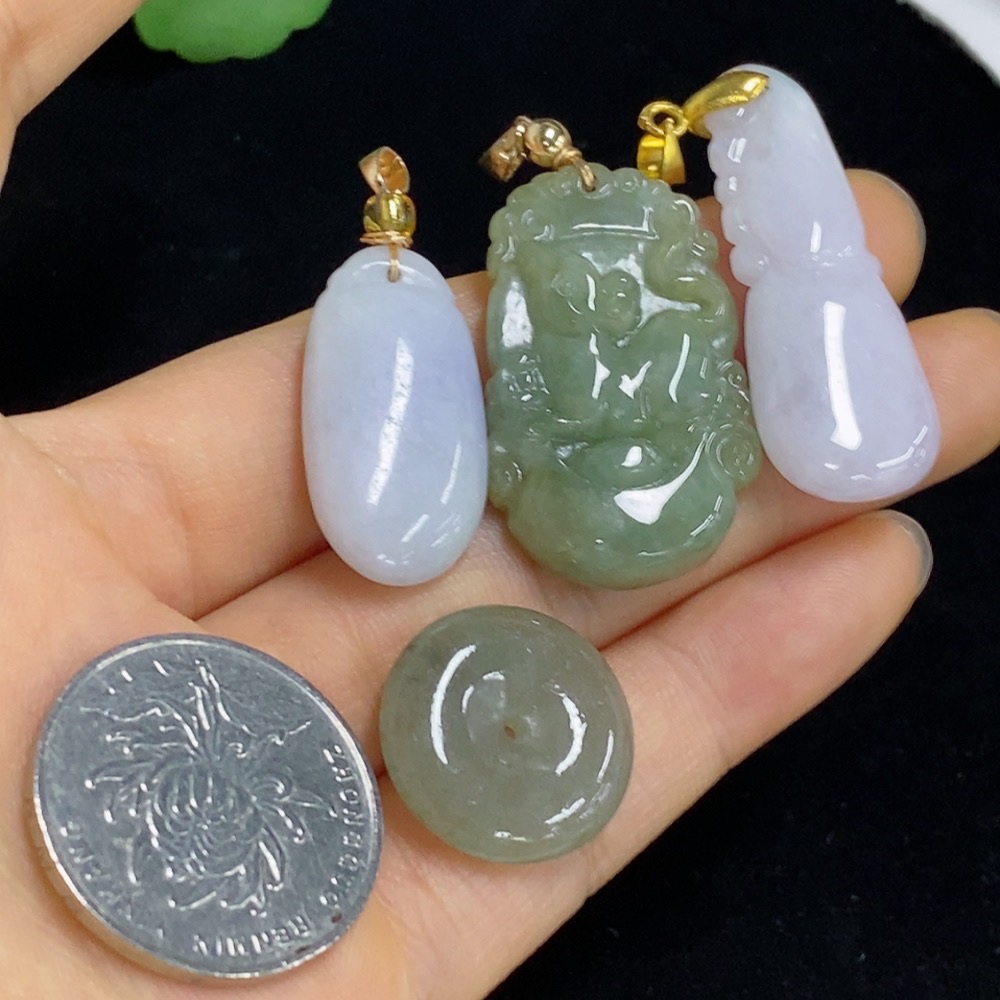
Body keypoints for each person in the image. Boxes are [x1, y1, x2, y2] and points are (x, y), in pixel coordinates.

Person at [2, 2, 999, 996]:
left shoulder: (667, 317)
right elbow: (527, 376)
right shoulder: (523, 327)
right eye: (577, 291)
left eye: (628, 288)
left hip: (648, 482)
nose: (609, 305)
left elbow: (649, 364)